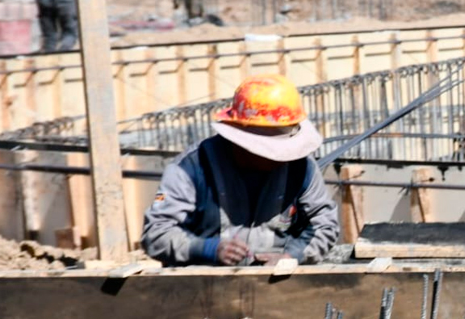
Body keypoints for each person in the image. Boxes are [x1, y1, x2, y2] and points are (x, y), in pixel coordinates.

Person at [142, 74, 340, 267]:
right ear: (240, 141)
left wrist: (291, 256)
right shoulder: (191, 169)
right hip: (200, 289)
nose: (279, 159)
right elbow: (156, 234)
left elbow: (324, 225)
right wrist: (207, 249)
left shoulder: (302, 167)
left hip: (277, 290)